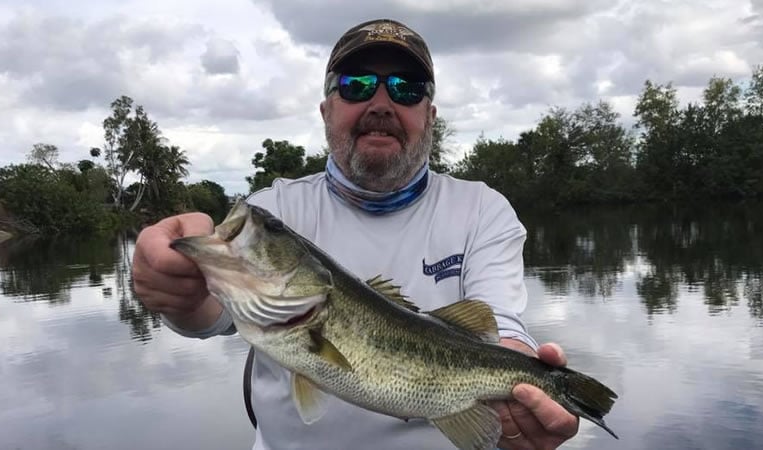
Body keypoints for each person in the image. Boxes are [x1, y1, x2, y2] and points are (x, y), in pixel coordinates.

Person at [133, 18, 579, 450]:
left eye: (406, 88)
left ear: (430, 115)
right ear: (327, 109)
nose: (381, 104)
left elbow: (499, 326)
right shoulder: (276, 210)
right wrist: (181, 293)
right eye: (356, 85)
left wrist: (529, 389)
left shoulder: (482, 209)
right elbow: (214, 312)